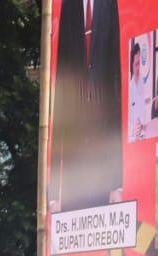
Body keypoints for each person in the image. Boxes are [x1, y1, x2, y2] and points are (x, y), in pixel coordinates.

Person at [49, 0, 121, 212]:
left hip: (105, 110)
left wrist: (117, 184)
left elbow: (115, 57)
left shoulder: (109, 5)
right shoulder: (67, 7)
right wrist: (53, 196)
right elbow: (62, 60)